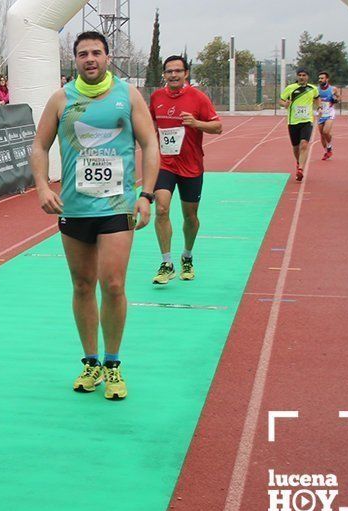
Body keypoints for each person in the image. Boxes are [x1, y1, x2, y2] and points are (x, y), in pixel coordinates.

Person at [30, 31, 159, 400]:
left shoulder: (127, 95)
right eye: (83, 53)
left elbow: (149, 144)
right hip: (74, 207)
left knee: (113, 283)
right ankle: (91, 362)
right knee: (83, 285)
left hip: (117, 206)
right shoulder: (61, 99)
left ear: (107, 57)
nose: (90, 59)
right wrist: (41, 186)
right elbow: (39, 146)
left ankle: (114, 364)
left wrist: (146, 194)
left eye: (96, 53)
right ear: (75, 60)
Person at [148, 55, 222, 284]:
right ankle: (166, 262)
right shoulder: (156, 97)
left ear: (186, 73)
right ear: (164, 74)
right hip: (165, 164)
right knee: (161, 209)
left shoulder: (198, 98)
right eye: (169, 71)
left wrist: (197, 124)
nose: (173, 75)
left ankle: (187, 256)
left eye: (178, 71)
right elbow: (151, 124)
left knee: (190, 217)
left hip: (191, 166)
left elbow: (218, 127)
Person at [280, 68, 319, 181]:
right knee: (296, 147)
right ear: (297, 77)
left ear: (307, 77)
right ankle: (298, 162)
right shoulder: (290, 88)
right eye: (300, 75)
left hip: (307, 121)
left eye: (304, 75)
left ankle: (301, 169)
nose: (302, 77)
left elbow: (317, 98)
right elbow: (281, 100)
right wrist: (285, 104)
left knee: (304, 144)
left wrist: (319, 107)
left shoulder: (313, 89)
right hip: (293, 122)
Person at [317, 71, 340, 160]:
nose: (320, 80)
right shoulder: (317, 89)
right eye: (319, 78)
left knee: (326, 131)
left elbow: (338, 97)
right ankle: (326, 151)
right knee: (322, 135)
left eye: (322, 78)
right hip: (320, 114)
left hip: (329, 112)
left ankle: (329, 146)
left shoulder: (333, 89)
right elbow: (314, 99)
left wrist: (336, 100)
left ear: (327, 79)